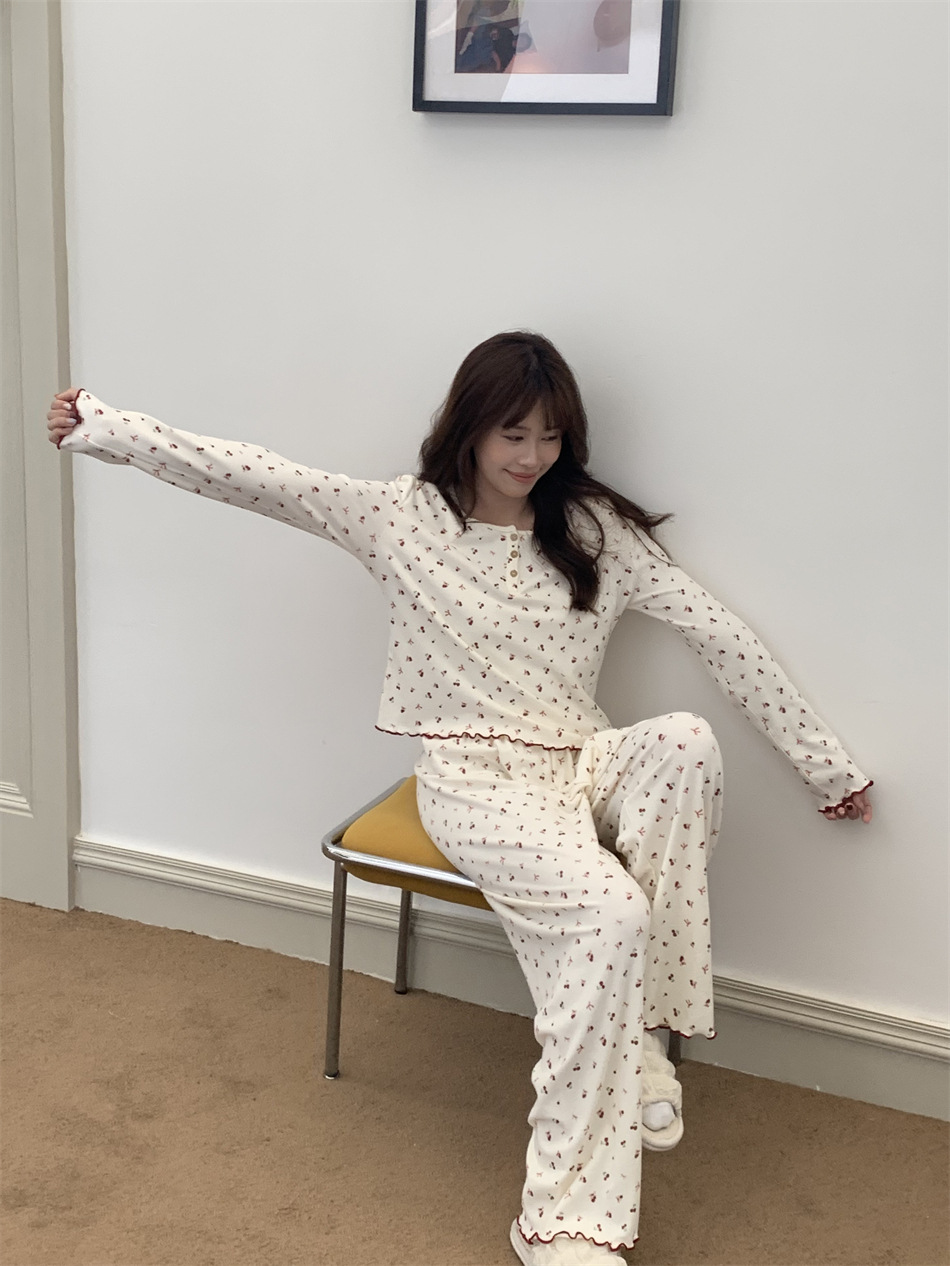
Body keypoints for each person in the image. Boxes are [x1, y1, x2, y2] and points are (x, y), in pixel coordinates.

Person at [47, 331, 872, 1266]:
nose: (531, 457)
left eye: (551, 437)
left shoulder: (594, 531)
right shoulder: (403, 518)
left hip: (579, 761)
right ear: (470, 426)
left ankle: (641, 1033)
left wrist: (828, 768)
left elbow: (720, 633)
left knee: (683, 741)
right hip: (473, 780)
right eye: (513, 433)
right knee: (610, 915)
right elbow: (256, 477)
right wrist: (103, 429)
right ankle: (564, 1220)